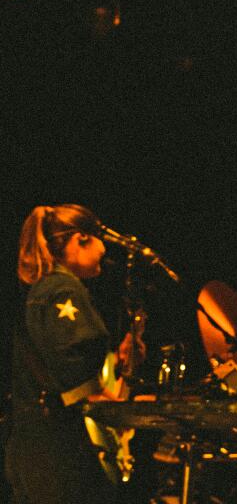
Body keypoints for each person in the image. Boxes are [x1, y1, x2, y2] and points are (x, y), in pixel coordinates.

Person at [5, 204, 141, 504]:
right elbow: (72, 366)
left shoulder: (42, 289)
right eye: (99, 240)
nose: (104, 252)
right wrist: (116, 406)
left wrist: (114, 360)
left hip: (32, 442)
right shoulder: (64, 289)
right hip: (56, 446)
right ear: (81, 238)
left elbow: (52, 357)